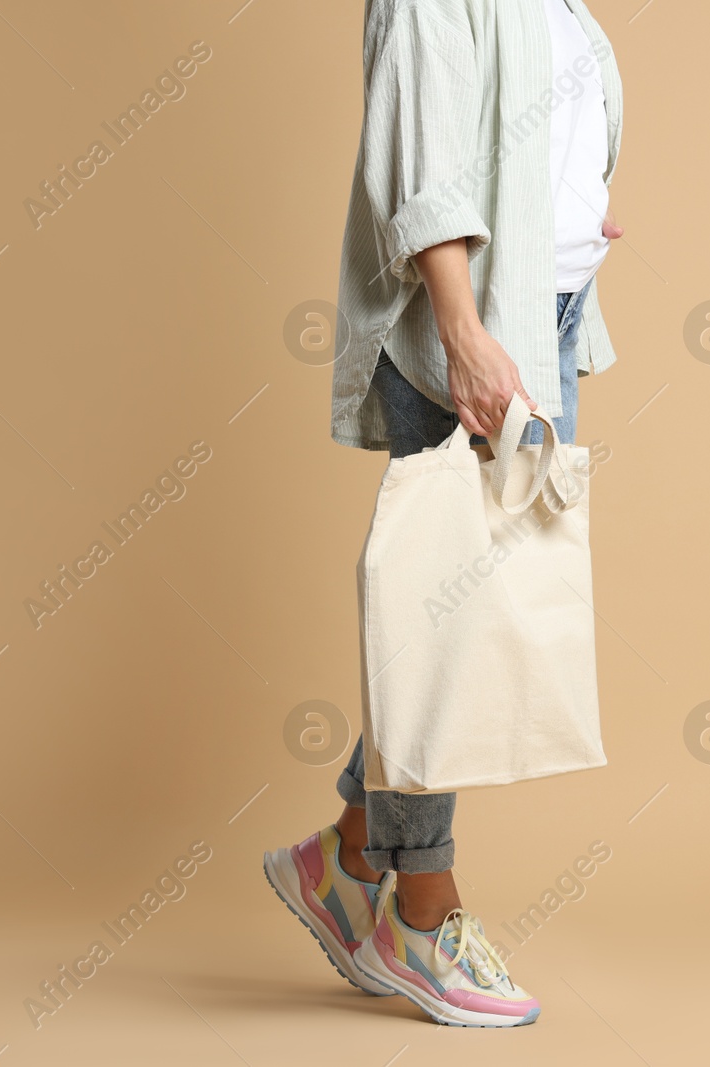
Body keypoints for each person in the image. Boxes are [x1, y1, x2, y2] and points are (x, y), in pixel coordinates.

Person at [264, 0, 623, 1028]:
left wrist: (573, 204)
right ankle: (420, 912)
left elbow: (526, 125)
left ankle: (341, 856)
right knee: (445, 619)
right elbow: (422, 170)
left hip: (541, 312)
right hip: (466, 325)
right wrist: (464, 333)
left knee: (459, 620)